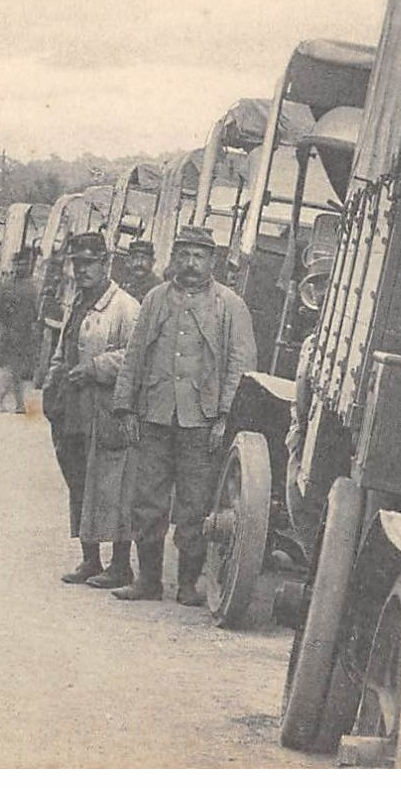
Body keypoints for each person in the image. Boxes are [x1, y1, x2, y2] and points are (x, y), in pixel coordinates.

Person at [111, 224, 256, 605]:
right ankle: (148, 581)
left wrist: (225, 417)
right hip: (155, 415)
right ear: (174, 258)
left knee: (194, 505)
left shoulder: (231, 306)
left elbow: (241, 367)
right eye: (184, 255)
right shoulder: (156, 299)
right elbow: (134, 355)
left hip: (202, 421)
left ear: (213, 261)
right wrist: (126, 406)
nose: (191, 264)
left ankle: (189, 583)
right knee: (147, 502)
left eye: (199, 256)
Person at [43, 232, 140, 587]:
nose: (82, 270)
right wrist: (51, 382)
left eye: (89, 264)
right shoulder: (78, 301)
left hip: (106, 410)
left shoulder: (125, 307)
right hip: (72, 409)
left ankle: (120, 566)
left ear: (106, 264)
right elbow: (63, 345)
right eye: (77, 264)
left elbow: (135, 355)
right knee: (79, 481)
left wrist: (97, 367)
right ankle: (90, 560)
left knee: (113, 487)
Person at [0, 249, 40, 414]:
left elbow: (35, 313)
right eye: (19, 264)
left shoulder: (33, 287)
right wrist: (0, 328)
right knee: (10, 368)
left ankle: (18, 404)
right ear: (14, 265)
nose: (22, 267)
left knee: (17, 370)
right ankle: (0, 402)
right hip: (10, 332)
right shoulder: (7, 285)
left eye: (25, 264)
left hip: (25, 334)